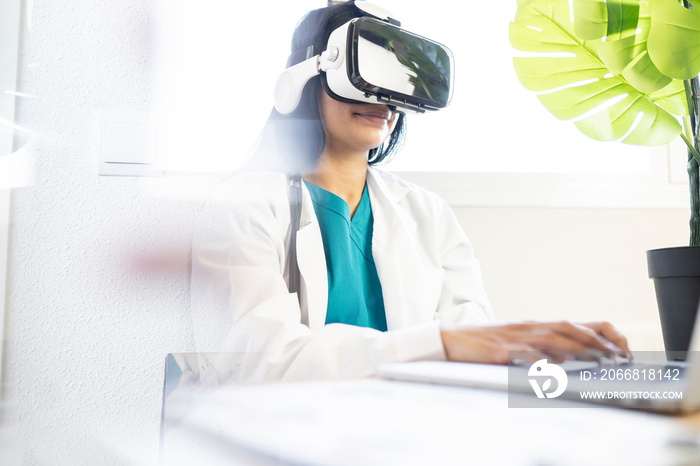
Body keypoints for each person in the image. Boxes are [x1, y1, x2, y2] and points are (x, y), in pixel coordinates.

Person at [190, 1, 629, 383]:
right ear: (309, 73)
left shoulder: (427, 213)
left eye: (397, 78)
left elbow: (476, 342)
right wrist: (440, 343)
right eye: (363, 73)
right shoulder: (244, 206)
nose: (383, 97)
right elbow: (263, 363)